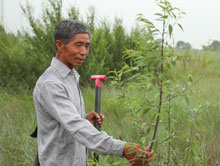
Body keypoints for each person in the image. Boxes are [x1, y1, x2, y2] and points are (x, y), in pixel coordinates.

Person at [32, 19, 153, 166]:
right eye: (78, 45)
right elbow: (76, 127)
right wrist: (123, 149)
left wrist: (84, 119)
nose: (83, 52)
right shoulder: (51, 84)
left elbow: (68, 121)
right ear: (60, 45)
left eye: (87, 46)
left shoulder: (71, 77)